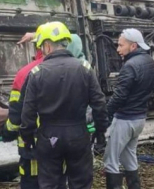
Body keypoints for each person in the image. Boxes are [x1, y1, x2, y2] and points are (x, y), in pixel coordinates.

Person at [20, 21, 108, 189]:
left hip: (48, 136)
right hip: (78, 133)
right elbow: (99, 103)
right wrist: (101, 131)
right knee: (81, 183)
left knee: (50, 184)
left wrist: (28, 137)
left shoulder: (37, 73)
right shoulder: (84, 68)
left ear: (47, 46)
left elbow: (28, 111)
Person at [2, 25, 88, 189]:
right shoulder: (73, 68)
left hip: (33, 145)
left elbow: (17, 115)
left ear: (40, 45)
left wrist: (7, 132)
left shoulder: (26, 72)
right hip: (61, 143)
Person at [103, 28, 154, 189]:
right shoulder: (149, 62)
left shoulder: (130, 66)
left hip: (125, 120)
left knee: (110, 161)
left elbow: (119, 96)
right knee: (129, 157)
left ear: (133, 46)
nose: (118, 49)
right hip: (139, 119)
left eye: (120, 45)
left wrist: (104, 113)